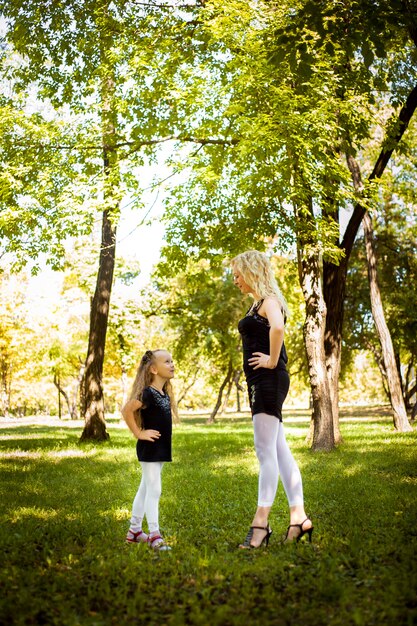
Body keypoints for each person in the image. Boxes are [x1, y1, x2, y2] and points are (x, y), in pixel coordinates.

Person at [231, 250, 313, 548]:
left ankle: (260, 525)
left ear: (252, 271)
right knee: (278, 450)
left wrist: (271, 360)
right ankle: (299, 518)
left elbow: (278, 327)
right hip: (263, 380)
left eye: (238, 274)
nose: (235, 280)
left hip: (268, 379)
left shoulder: (269, 302)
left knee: (265, 450)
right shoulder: (258, 304)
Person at [122, 348, 176, 552]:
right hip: (150, 448)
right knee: (155, 489)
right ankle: (154, 535)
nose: (172, 364)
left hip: (160, 448)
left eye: (172, 361)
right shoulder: (148, 393)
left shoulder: (164, 394)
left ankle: (134, 532)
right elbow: (127, 410)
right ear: (153, 369)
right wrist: (139, 433)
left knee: (145, 488)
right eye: (167, 362)